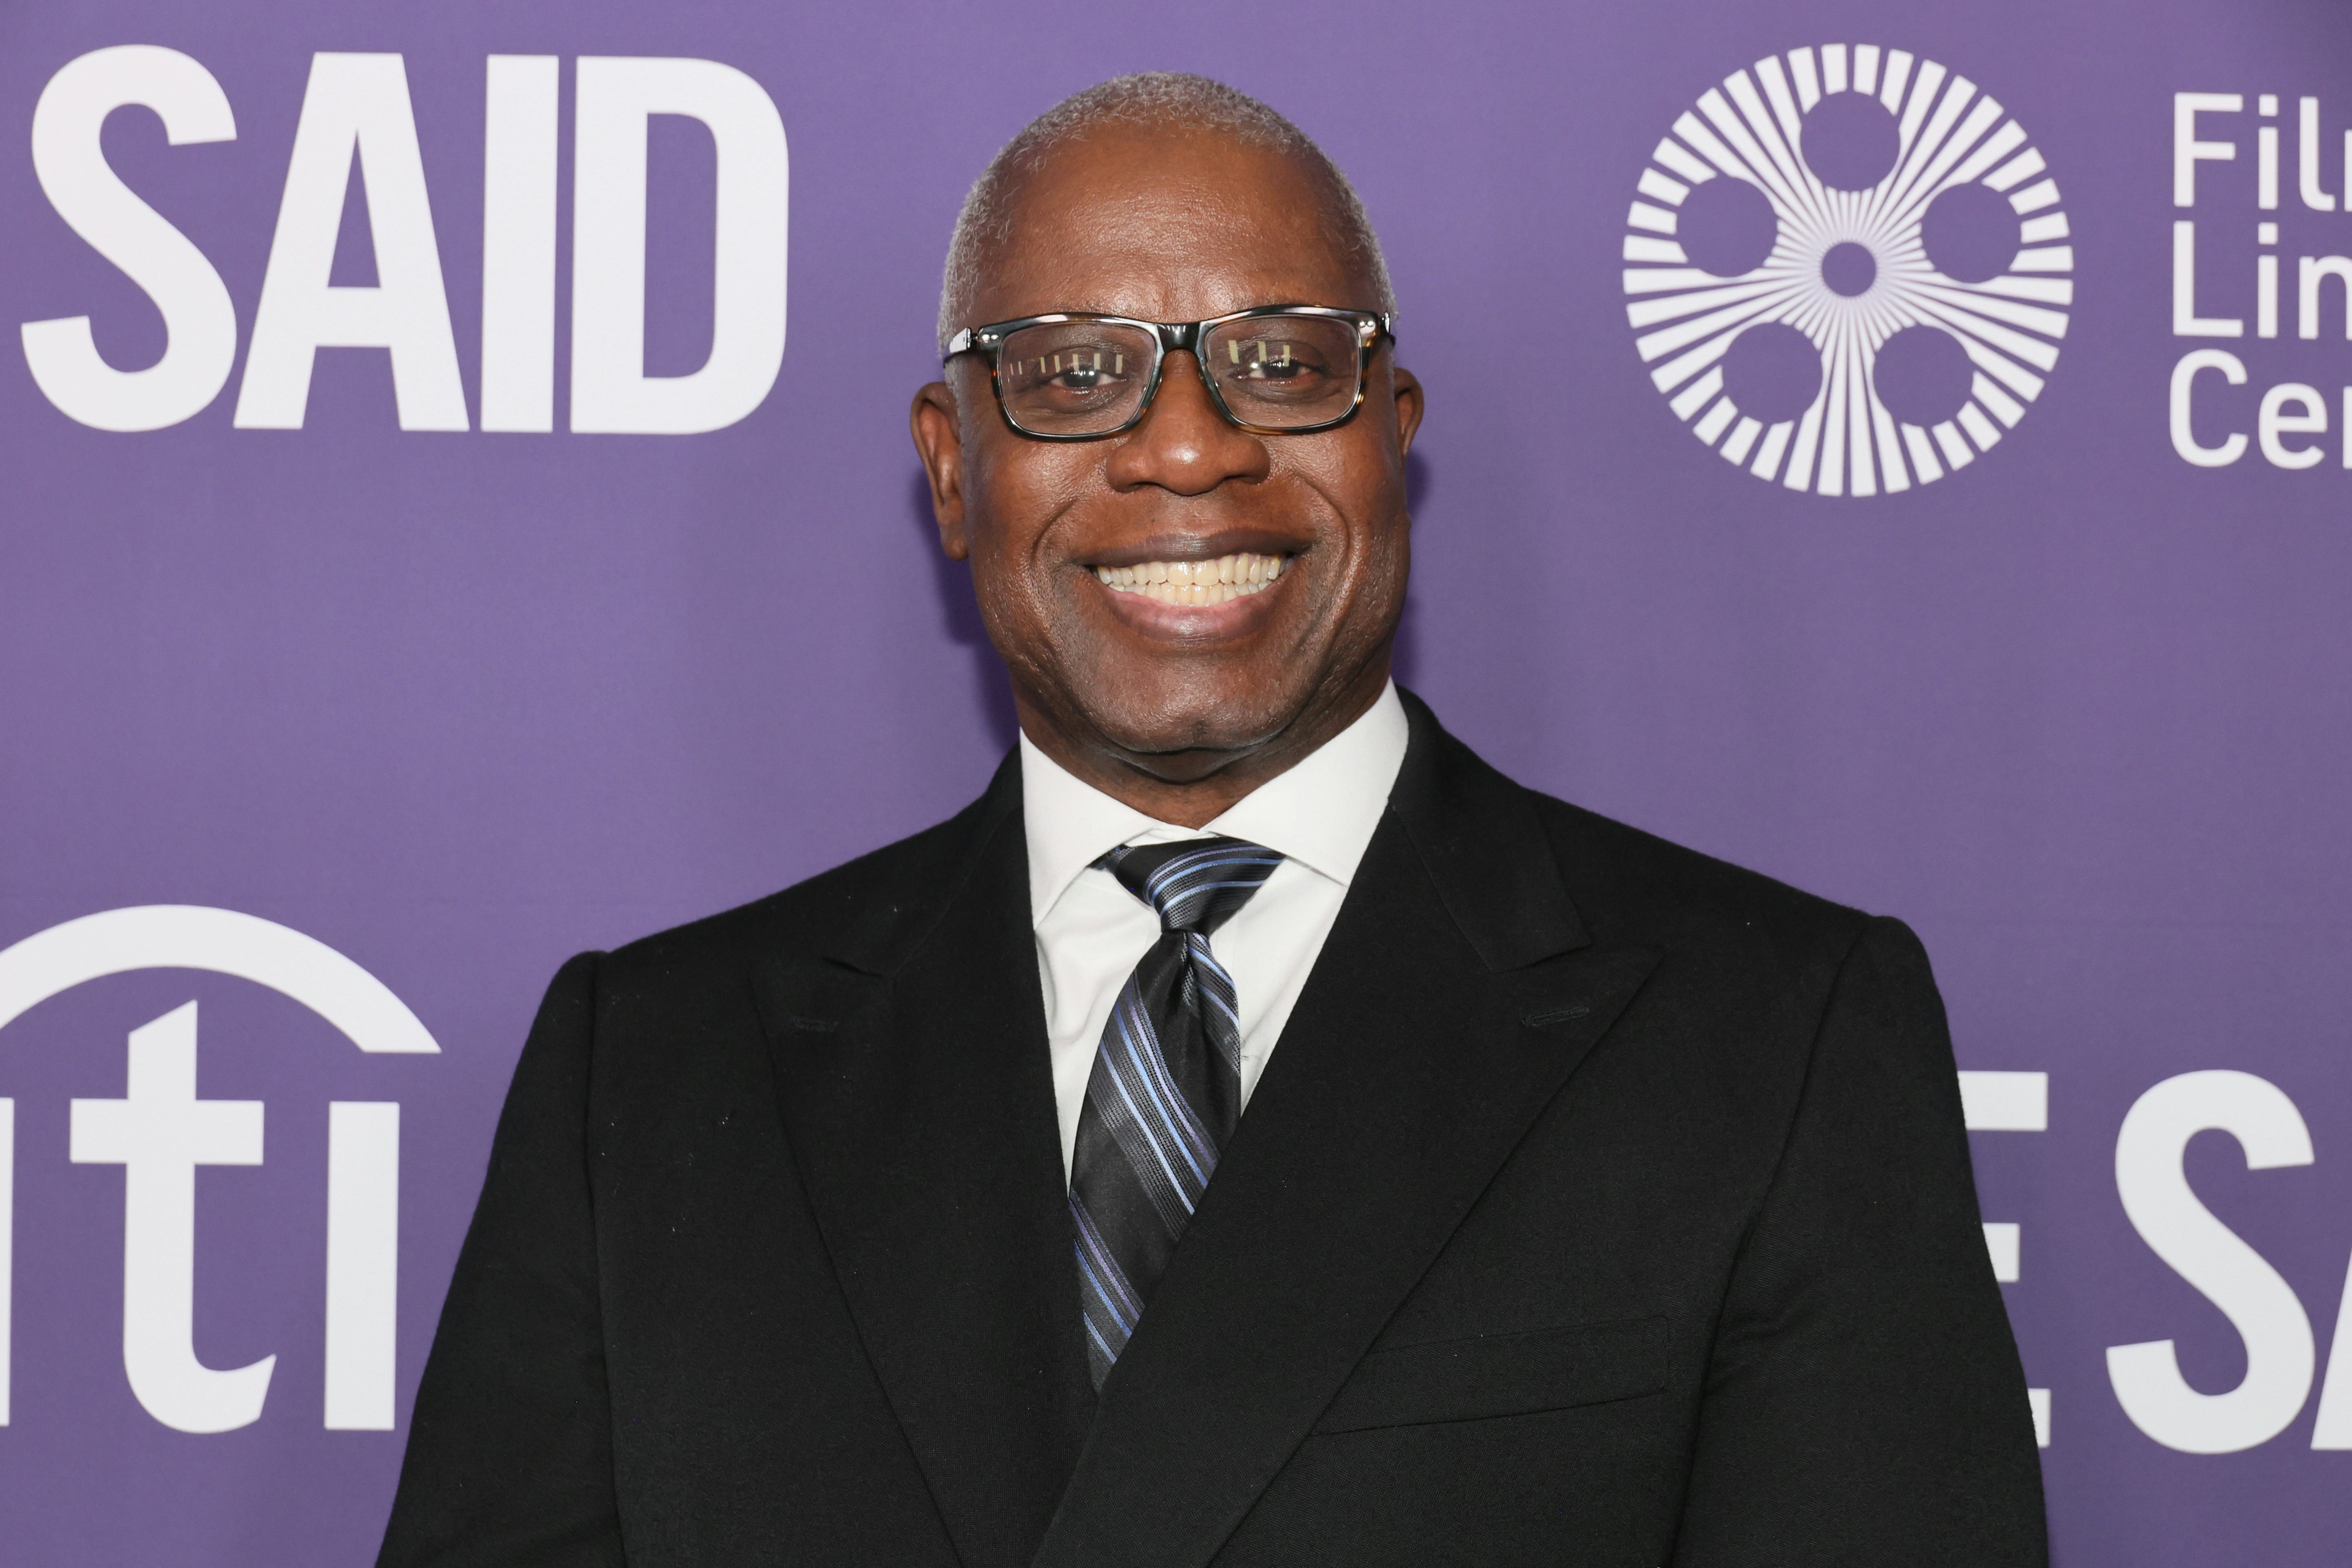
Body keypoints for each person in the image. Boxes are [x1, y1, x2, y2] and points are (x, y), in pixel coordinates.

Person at [377, 72, 2046, 1568]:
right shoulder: (654, 1070)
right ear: (952, 468)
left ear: (1393, 438)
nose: (1189, 443)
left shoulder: (1773, 1037)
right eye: (1076, 372)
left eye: (1282, 359)